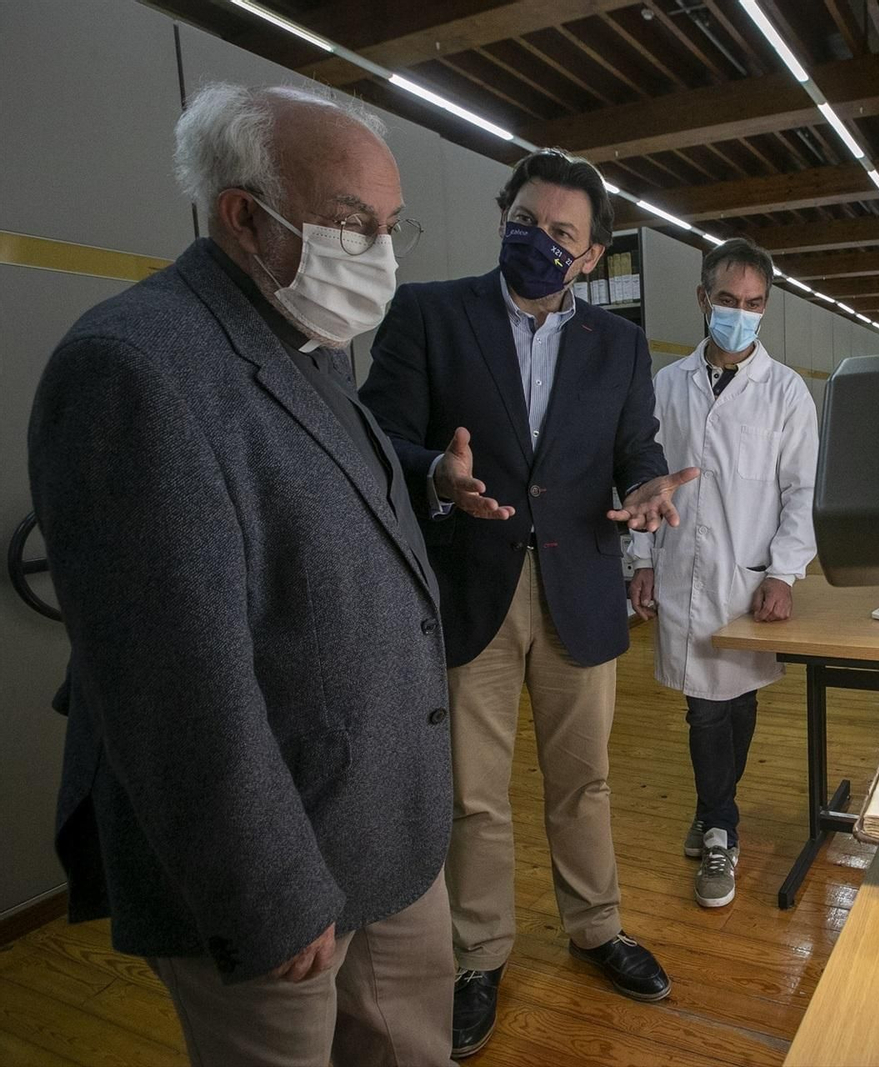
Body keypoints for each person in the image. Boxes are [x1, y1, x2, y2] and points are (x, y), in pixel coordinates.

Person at [27, 83, 453, 1066]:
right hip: (281, 870)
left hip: (382, 827)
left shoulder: (309, 343)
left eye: (391, 227)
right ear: (244, 214)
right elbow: (171, 680)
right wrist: (267, 892)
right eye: (352, 223)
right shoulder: (135, 366)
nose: (379, 257)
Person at [360, 147, 695, 1058]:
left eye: (561, 234)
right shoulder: (429, 313)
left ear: (590, 257)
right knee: (474, 794)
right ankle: (479, 956)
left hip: (579, 586)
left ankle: (596, 927)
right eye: (525, 220)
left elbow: (635, 446)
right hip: (473, 586)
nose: (537, 241)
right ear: (501, 214)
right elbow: (375, 433)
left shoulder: (618, 345)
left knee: (582, 780)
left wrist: (649, 488)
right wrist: (437, 472)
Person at [627, 238, 819, 909]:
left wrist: (786, 573)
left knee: (738, 701)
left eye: (755, 303)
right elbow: (648, 481)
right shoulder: (665, 385)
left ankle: (717, 802)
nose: (742, 313)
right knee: (704, 707)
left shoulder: (788, 393)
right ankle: (719, 826)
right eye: (730, 301)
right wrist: (641, 560)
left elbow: (801, 493)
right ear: (704, 298)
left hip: (750, 576)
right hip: (683, 570)